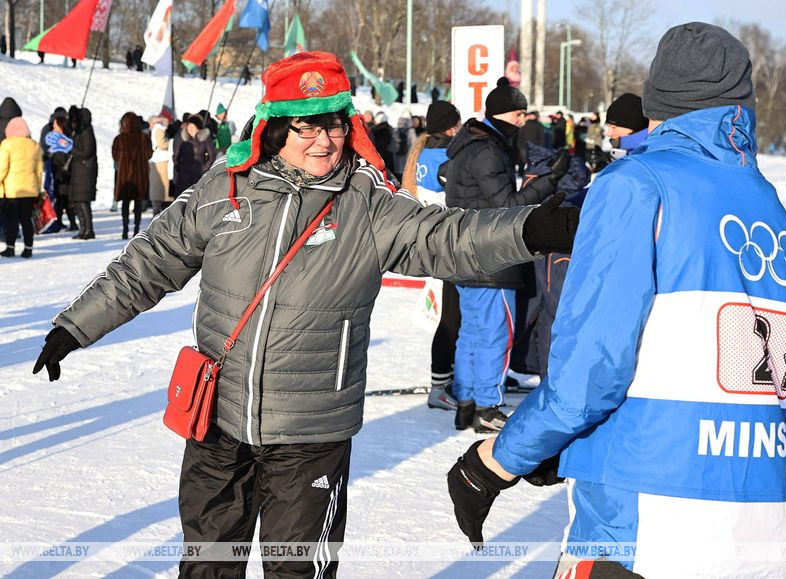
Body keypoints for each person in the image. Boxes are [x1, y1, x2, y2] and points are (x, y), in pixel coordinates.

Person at [32, 51, 579, 578]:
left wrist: (527, 230)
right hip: (218, 421)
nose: (324, 140)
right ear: (274, 128)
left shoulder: (365, 200)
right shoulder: (227, 187)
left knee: (298, 570)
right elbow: (152, 260)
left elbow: (445, 237)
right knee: (206, 566)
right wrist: (76, 325)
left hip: (311, 431)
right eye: (307, 126)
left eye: (335, 125)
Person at [447, 22, 786, 579]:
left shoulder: (638, 183)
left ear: (658, 100)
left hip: (650, 518)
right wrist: (569, 448)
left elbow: (591, 371)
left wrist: (494, 463)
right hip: (762, 519)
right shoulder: (767, 202)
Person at [445, 83, 569, 433]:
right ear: (502, 114)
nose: (523, 120)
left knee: (472, 332)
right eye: (519, 114)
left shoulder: (473, 145)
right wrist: (550, 180)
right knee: (495, 335)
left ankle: (467, 401)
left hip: (466, 253)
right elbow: (508, 207)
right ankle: (487, 405)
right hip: (491, 257)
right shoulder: (486, 151)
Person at [401, 101, 463, 410]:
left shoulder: (421, 152)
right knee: (453, 319)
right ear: (451, 128)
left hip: (431, 240)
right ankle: (441, 385)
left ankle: (448, 379)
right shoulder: (447, 157)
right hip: (448, 243)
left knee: (452, 316)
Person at [0, 117, 42, 258]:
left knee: (11, 220)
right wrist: (38, 189)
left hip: (12, 190)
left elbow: (2, 168)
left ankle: (10, 248)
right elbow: (39, 171)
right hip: (30, 190)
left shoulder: (7, 144)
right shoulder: (34, 145)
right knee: (26, 220)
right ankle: (28, 249)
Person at [112, 112, 152, 239]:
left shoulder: (119, 139)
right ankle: (136, 229)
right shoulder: (144, 138)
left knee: (125, 203)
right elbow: (149, 154)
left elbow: (115, 156)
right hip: (140, 176)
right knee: (138, 203)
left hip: (125, 178)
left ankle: (125, 230)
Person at [67, 106, 97, 240]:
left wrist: (71, 148)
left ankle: (88, 230)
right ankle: (83, 229)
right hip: (80, 171)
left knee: (83, 201)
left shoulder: (87, 132)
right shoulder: (80, 132)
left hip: (85, 172)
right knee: (79, 201)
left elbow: (86, 152)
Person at [45, 116, 76, 231]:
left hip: (62, 175)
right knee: (61, 199)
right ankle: (63, 222)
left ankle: (65, 223)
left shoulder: (64, 143)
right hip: (60, 175)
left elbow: (62, 159)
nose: (53, 128)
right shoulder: (61, 142)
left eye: (55, 125)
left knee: (62, 199)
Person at [603, 93, 649, 161]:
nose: (608, 133)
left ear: (634, 126)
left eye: (614, 127)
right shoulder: (628, 154)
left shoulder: (647, 158)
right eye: (609, 127)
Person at [148, 115, 172, 215]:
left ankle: (157, 211)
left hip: (158, 160)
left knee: (157, 189)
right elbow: (162, 144)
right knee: (162, 190)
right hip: (162, 160)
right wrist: (171, 142)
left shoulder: (157, 129)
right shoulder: (159, 129)